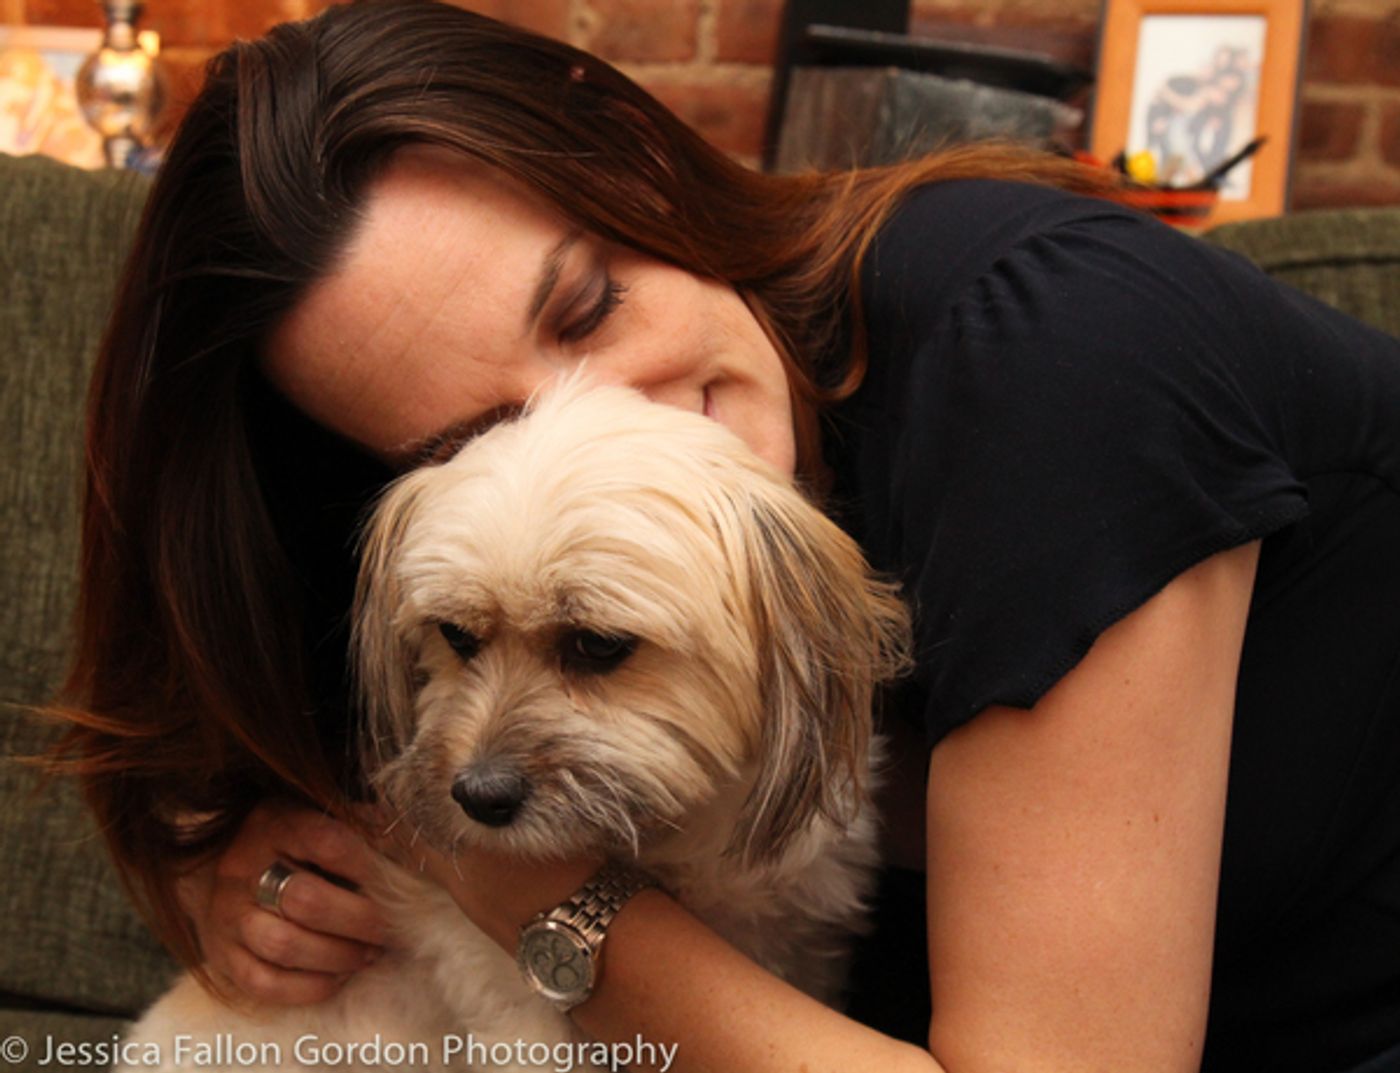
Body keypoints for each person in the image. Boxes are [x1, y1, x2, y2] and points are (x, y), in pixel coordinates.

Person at [55, 2, 1400, 1071]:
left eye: (586, 308)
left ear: (632, 152)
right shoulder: (461, 573)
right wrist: (260, 880)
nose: (610, 428)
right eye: (484, 436)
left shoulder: (1058, 360)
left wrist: (522, 894)